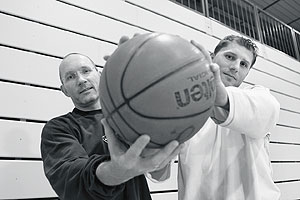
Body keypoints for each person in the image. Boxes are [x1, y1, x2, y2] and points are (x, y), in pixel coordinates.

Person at [40, 52, 182, 200]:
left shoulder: (130, 117)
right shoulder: (58, 128)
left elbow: (156, 172)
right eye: (70, 76)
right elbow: (72, 179)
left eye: (86, 71)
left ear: (100, 75)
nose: (81, 80)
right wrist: (115, 171)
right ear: (64, 91)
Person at [178, 35, 281, 200]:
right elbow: (158, 172)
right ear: (212, 57)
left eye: (244, 64)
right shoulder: (184, 111)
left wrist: (221, 98)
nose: (235, 67)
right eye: (230, 57)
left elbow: (270, 109)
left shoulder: (259, 97)